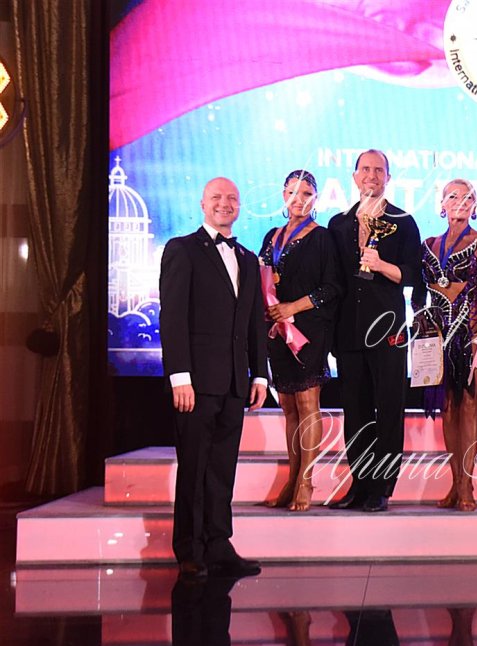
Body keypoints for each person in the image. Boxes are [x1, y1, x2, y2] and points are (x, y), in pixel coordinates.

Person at [159, 177, 268, 580]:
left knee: (222, 468)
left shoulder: (247, 258)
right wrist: (179, 376)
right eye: (217, 198)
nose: (225, 204)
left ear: (239, 206)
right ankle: (190, 549)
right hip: (196, 383)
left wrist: (260, 375)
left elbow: (254, 321)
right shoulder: (182, 249)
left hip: (235, 382)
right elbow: (172, 317)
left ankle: (219, 545)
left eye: (232, 198)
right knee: (194, 466)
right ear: (202, 204)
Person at [327, 150, 421, 512]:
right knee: (355, 411)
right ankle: (359, 484)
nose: (371, 175)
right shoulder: (338, 224)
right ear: (354, 177)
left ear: (388, 178)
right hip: (349, 331)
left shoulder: (403, 221)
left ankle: (381, 487)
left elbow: (412, 275)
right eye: (365, 169)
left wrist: (382, 265)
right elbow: (333, 281)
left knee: (389, 408)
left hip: (388, 331)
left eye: (378, 170)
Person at [412, 179, 477, 512]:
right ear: (442, 204)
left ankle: (467, 485)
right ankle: (455, 481)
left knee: (469, 404)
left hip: (473, 333)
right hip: (438, 335)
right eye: (453, 196)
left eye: (467, 197)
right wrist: (421, 322)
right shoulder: (428, 245)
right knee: (447, 406)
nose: (460, 202)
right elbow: (419, 293)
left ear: (475, 205)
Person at [259, 170, 339, 512]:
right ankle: (292, 478)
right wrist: (270, 312)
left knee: (308, 405)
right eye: (293, 192)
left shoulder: (322, 237)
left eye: (306, 193)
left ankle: (307, 480)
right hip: (278, 331)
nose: (299, 199)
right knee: (289, 407)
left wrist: (293, 307)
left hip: (309, 331)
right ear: (283, 195)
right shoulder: (272, 236)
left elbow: (332, 288)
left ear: (315, 199)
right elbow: (263, 279)